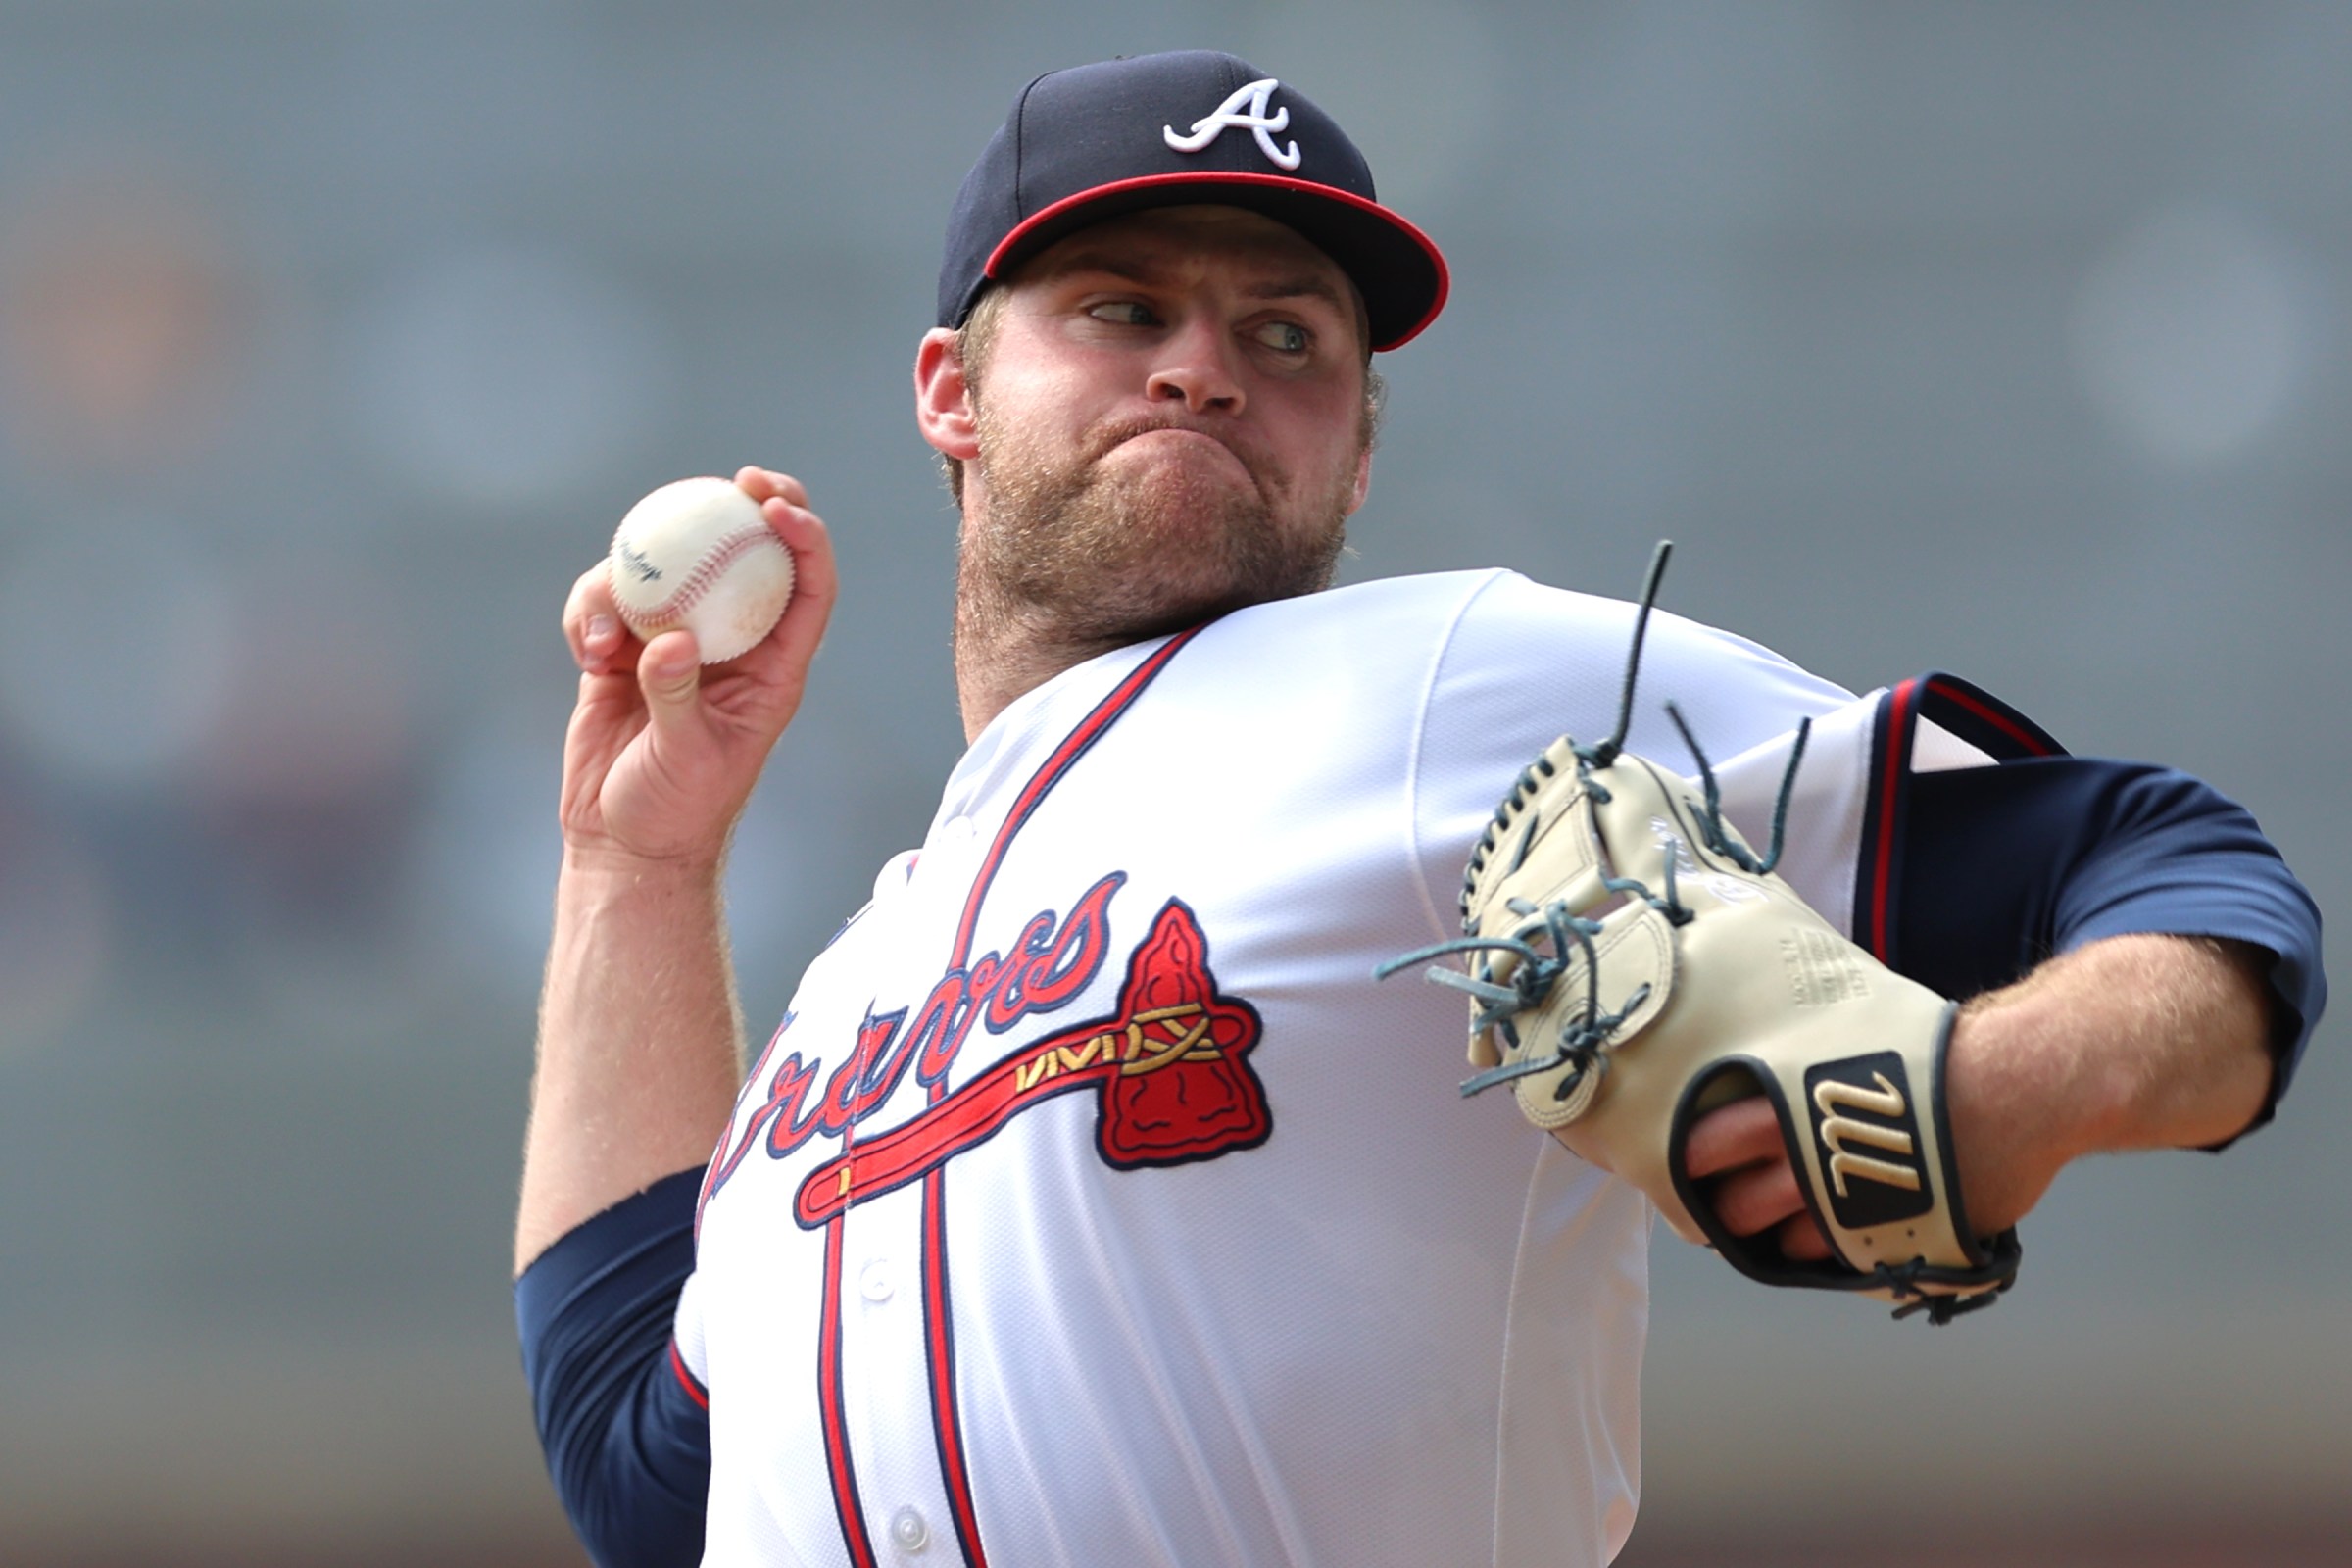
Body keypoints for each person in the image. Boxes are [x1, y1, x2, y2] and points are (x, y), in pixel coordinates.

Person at [514, 51, 2324, 1568]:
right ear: (952, 393)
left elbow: (2168, 865)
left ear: (1360, 446)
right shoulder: (861, 989)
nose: (1204, 365)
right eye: (1123, 308)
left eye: (1287, 336)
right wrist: (637, 865)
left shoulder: (1459, 683)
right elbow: (642, 1471)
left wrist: (2018, 1086)